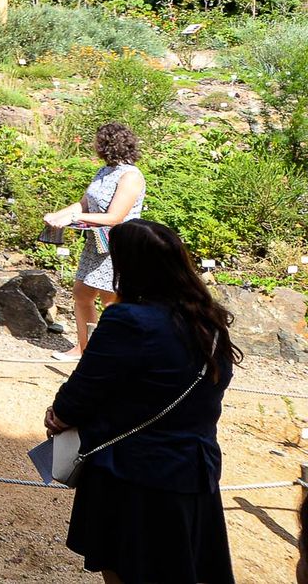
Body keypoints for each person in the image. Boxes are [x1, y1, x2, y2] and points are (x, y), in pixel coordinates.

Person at [46, 218, 238, 584]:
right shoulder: (210, 323)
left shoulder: (128, 319)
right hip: (193, 469)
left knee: (128, 571)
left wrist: (57, 416)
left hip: (133, 472)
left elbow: (78, 397)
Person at [44, 122, 146, 359]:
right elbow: (84, 204)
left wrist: (73, 218)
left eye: (97, 141)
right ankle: (85, 349)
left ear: (108, 144)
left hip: (119, 246)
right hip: (97, 243)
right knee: (82, 295)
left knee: (111, 301)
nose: (94, 145)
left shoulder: (131, 176)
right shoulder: (104, 171)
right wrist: (57, 215)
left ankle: (112, 355)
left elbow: (115, 217)